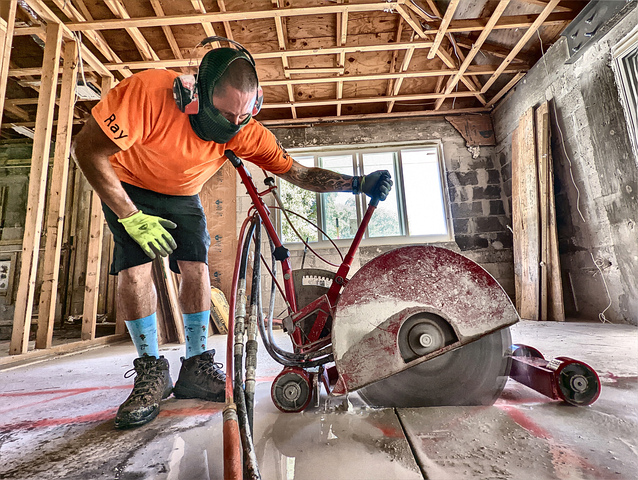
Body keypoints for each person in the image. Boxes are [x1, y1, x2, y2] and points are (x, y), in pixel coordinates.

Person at [71, 41, 392, 429]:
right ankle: (150, 370)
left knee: (197, 268)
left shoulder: (243, 130)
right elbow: (88, 150)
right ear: (195, 94)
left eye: (242, 116)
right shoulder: (147, 94)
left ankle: (196, 364)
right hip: (128, 182)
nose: (233, 125)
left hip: (183, 192)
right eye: (224, 114)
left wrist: (357, 183)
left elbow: (300, 174)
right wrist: (131, 216)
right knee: (136, 271)